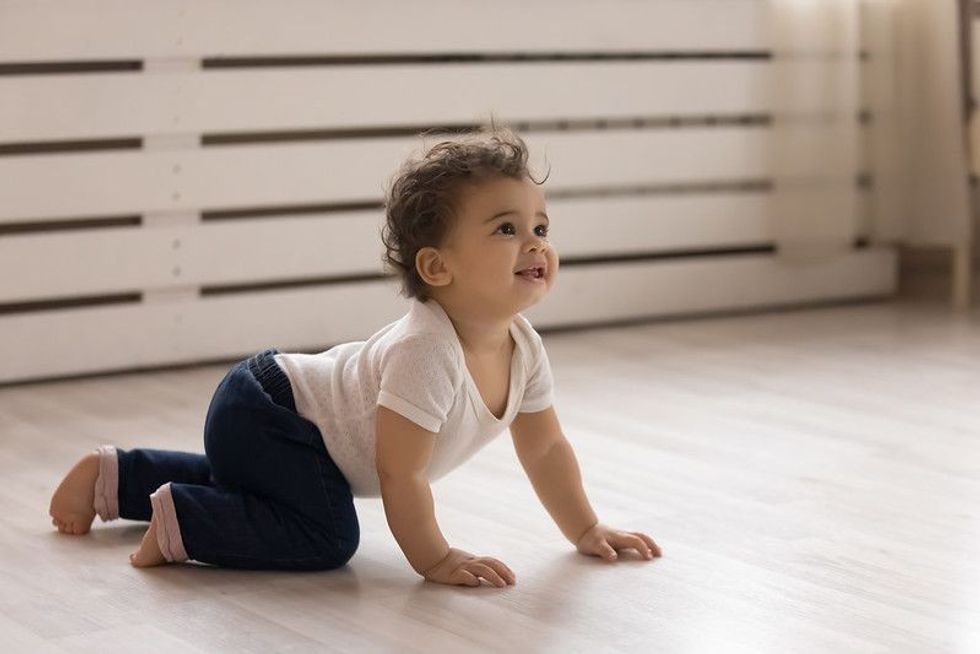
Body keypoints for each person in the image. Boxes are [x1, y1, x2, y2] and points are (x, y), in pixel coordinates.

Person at [48, 123, 662, 587]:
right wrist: (436, 559)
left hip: (285, 422)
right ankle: (185, 518)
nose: (534, 243)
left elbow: (546, 448)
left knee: (278, 494)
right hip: (270, 407)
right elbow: (401, 473)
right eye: (507, 229)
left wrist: (585, 529)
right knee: (327, 533)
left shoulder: (523, 349)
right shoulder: (428, 352)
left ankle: (117, 477)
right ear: (437, 266)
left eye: (541, 228)